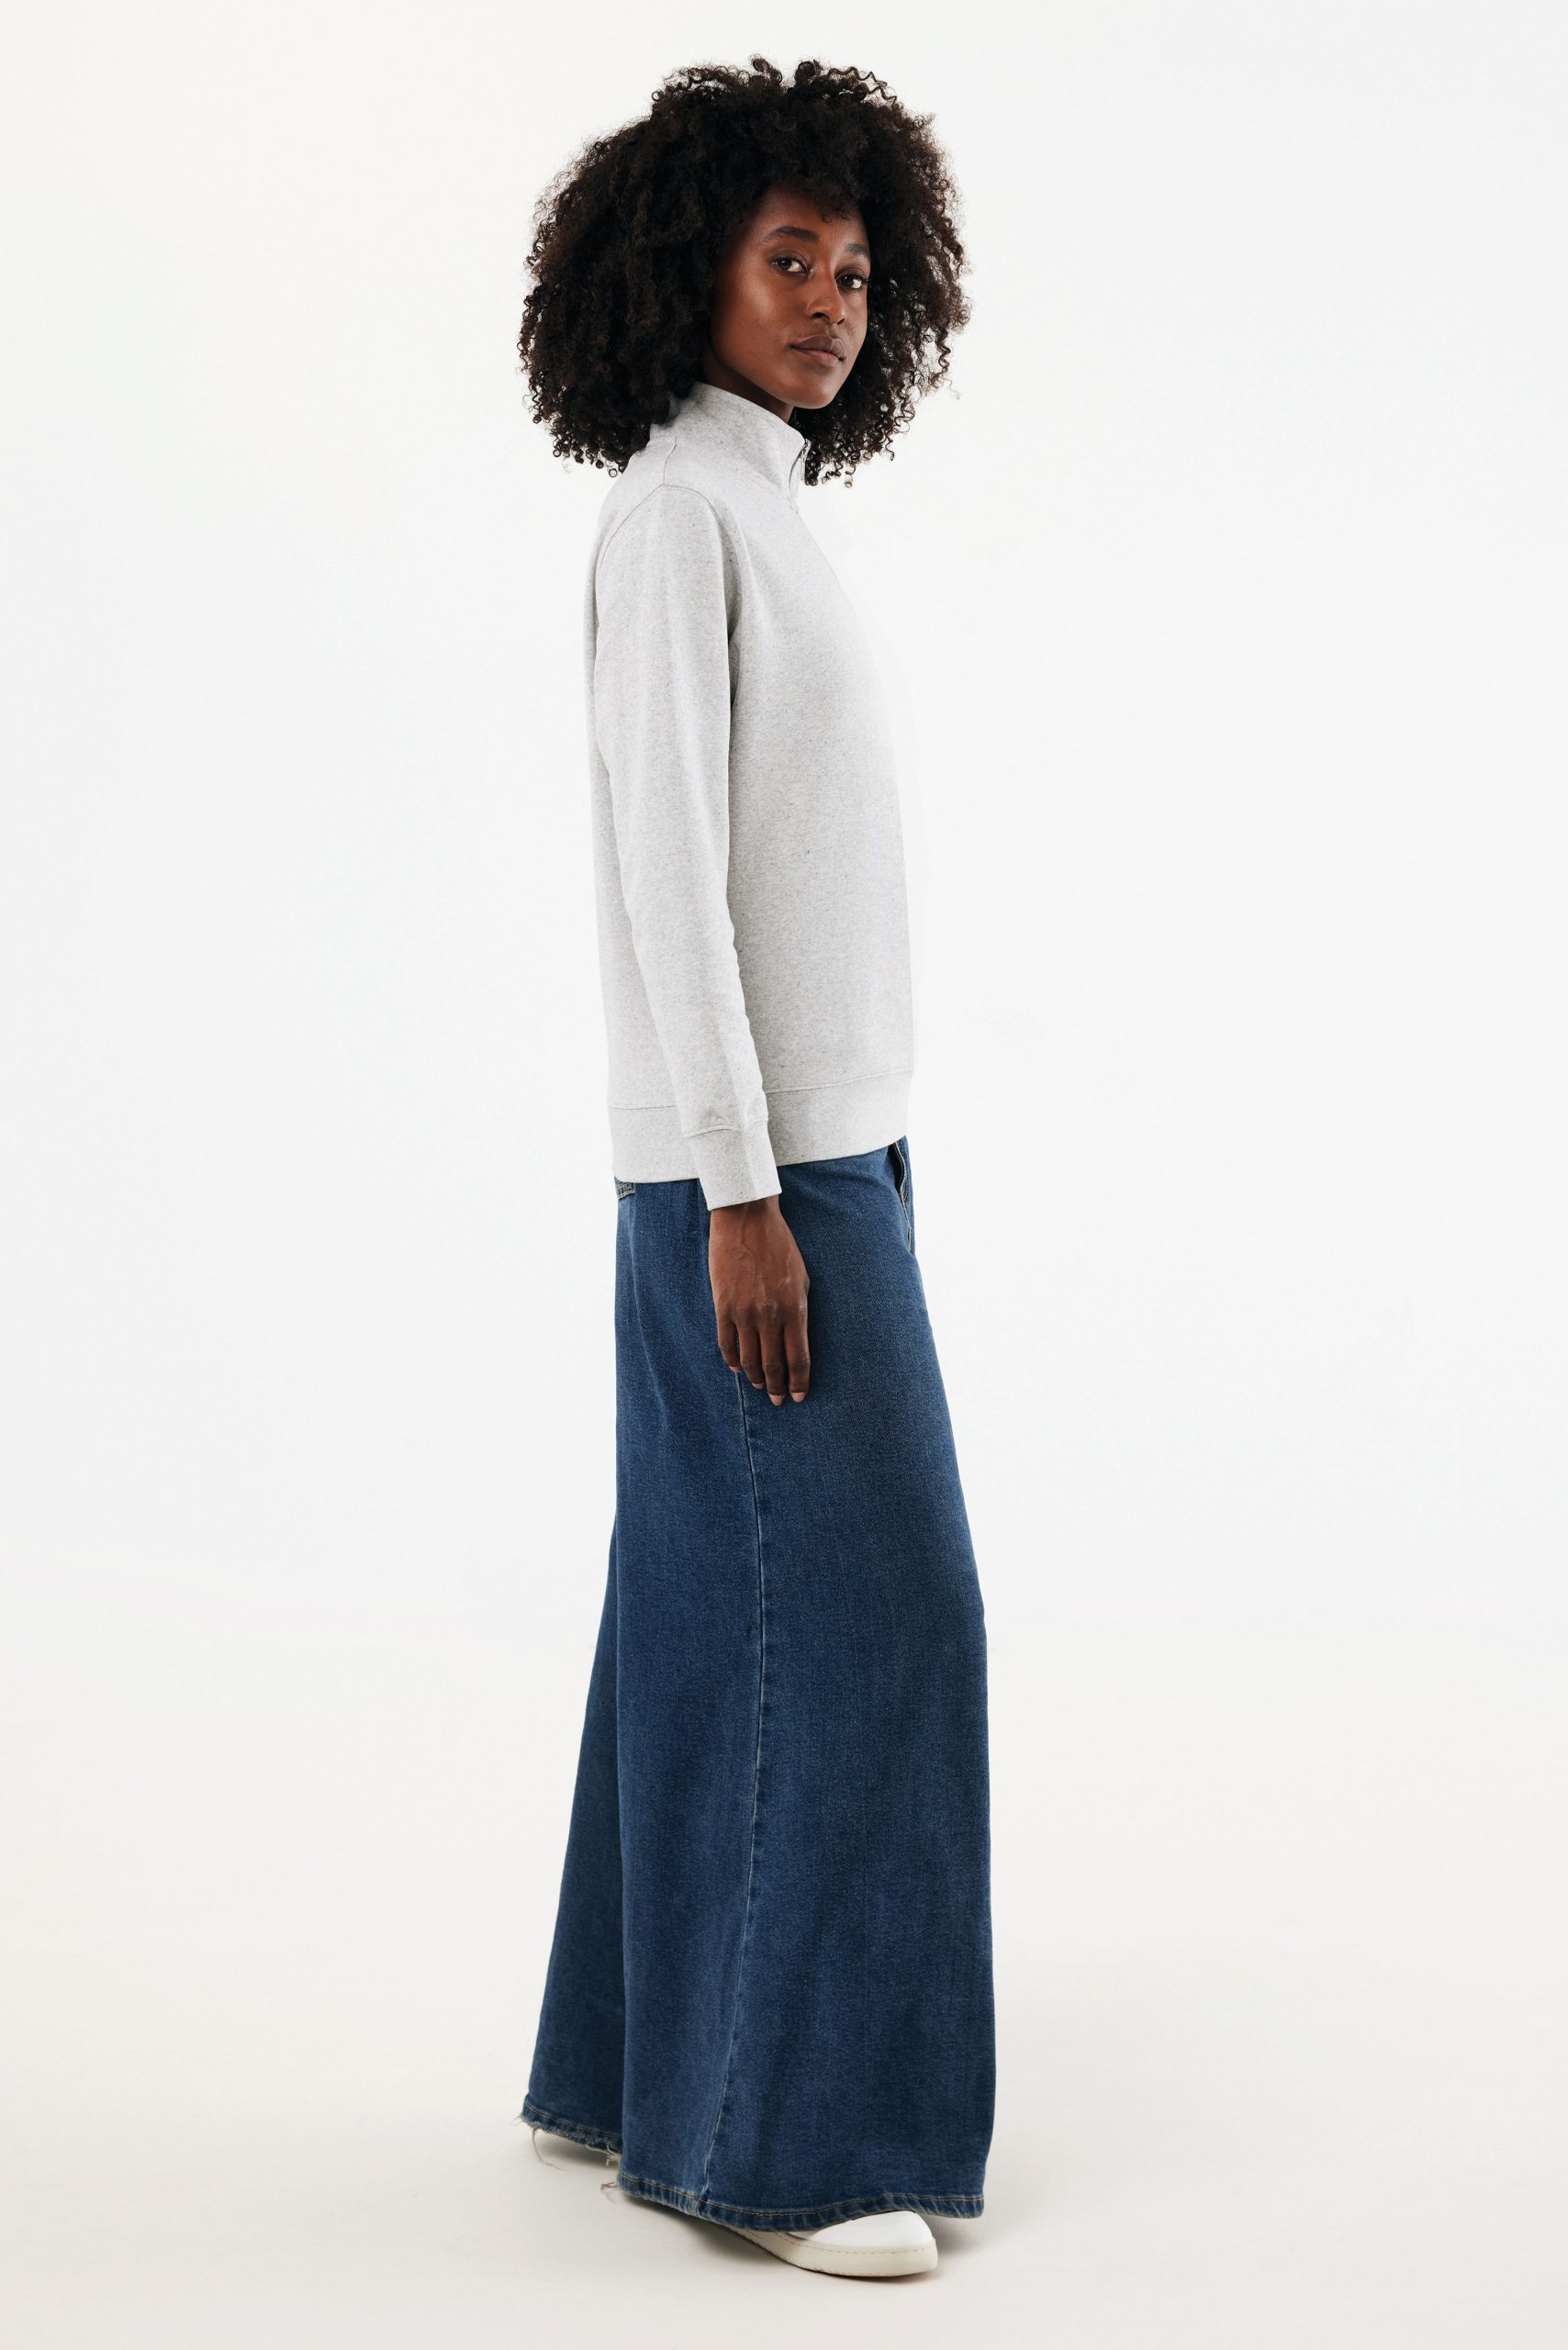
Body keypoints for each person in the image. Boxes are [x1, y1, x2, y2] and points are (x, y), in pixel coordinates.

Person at [513, 57, 992, 2281]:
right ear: (682, 265)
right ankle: (789, 2146)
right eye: (785, 256)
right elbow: (664, 871)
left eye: (854, 272)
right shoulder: (673, 518)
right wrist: (736, 1185)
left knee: (709, 1596)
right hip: (760, 1173)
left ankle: (621, 2061)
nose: (822, 299)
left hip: (829, 1141)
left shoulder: (766, 508)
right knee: (881, 1613)